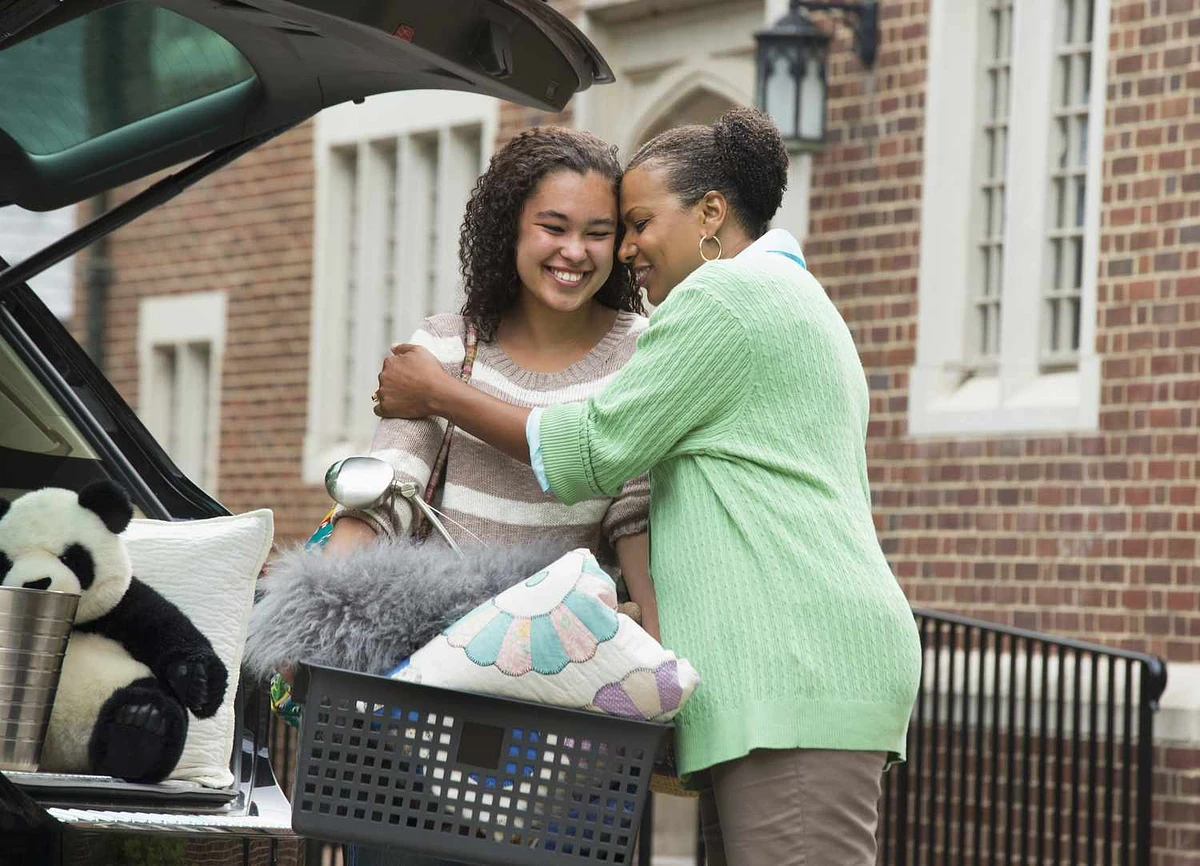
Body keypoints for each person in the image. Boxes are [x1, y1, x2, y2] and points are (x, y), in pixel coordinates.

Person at [370, 107, 923, 866]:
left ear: (711, 214)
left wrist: (440, 393)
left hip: (797, 668)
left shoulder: (724, 299)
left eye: (633, 224)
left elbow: (592, 450)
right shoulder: (786, 297)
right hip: (800, 671)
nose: (625, 249)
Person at [280, 127, 657, 866]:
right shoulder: (451, 344)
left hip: (563, 701)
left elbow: (636, 511)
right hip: (431, 697)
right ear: (510, 228)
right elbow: (384, 497)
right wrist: (319, 629)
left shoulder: (642, 352)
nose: (573, 252)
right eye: (552, 226)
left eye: (597, 232)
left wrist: (656, 654)